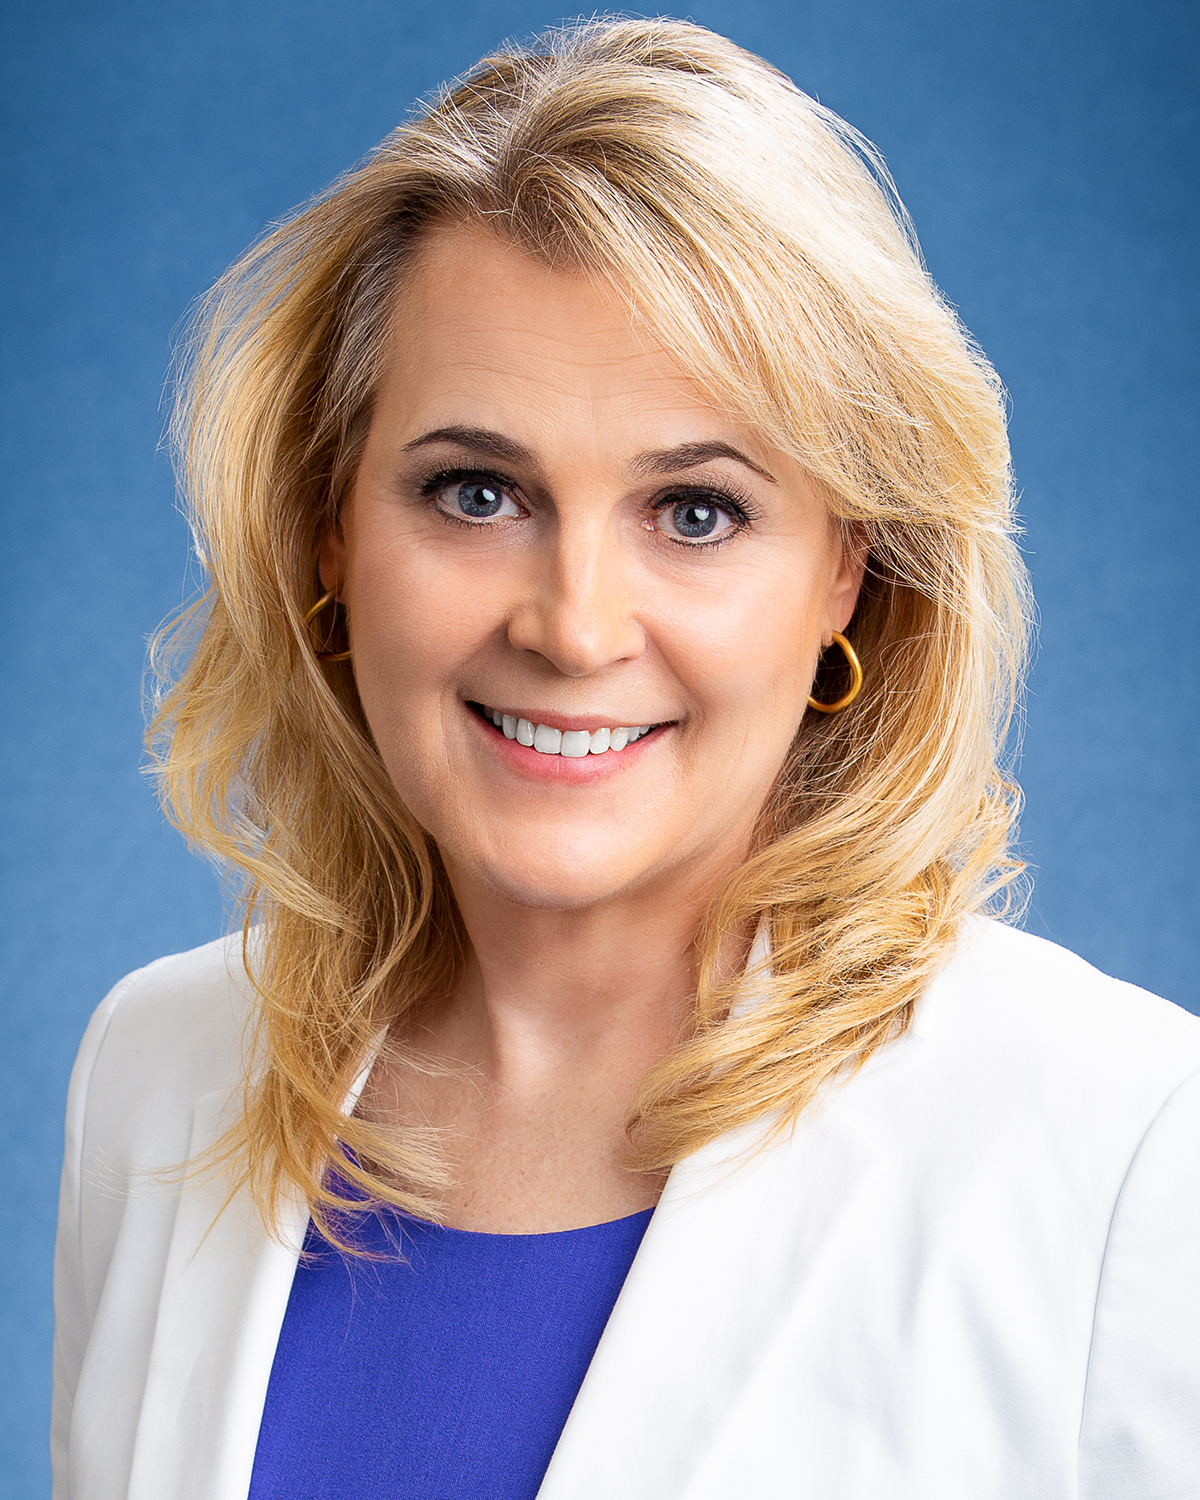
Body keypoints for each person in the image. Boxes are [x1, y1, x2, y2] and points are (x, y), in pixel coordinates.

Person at [52, 18, 1199, 1500]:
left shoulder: (1126, 1146)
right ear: (330, 529)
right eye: (477, 492)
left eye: (696, 513)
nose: (575, 626)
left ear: (847, 570)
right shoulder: (155, 1074)